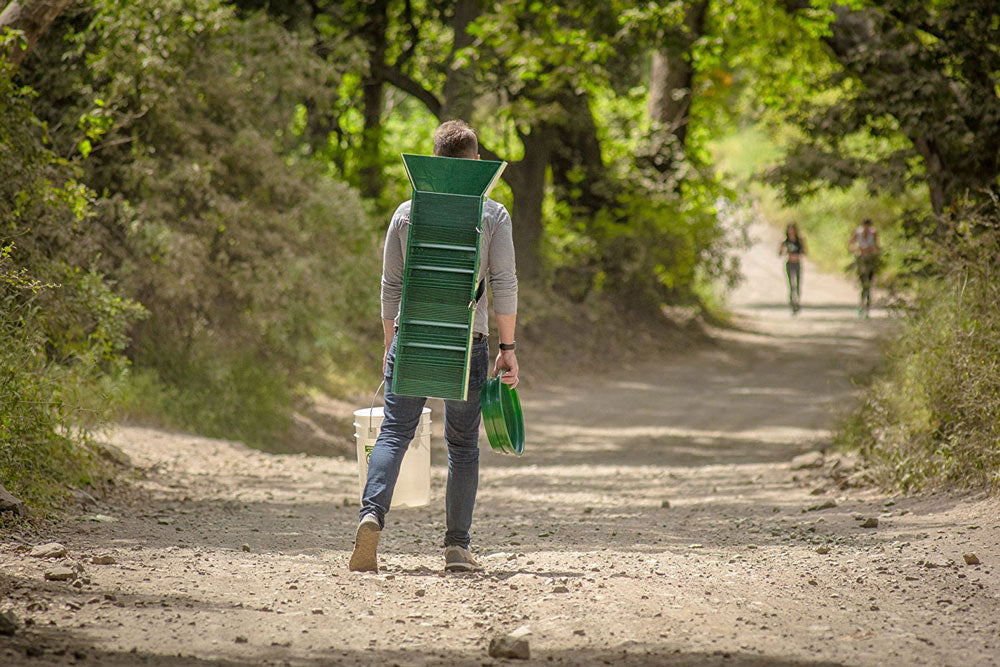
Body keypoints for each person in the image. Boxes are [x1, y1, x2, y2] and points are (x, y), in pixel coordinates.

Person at [349, 120, 519, 574]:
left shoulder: (406, 212)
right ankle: (457, 548)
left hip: (414, 338)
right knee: (463, 445)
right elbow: (504, 284)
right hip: (469, 342)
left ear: (435, 164)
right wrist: (508, 346)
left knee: (394, 431)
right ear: (476, 164)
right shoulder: (493, 214)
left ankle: (371, 516)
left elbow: (391, 285)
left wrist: (392, 343)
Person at [848, 218, 880, 318]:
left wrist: (870, 249)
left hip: (870, 259)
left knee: (869, 284)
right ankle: (862, 305)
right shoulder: (857, 232)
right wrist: (858, 249)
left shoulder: (873, 233)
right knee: (863, 283)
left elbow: (877, 247)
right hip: (861, 259)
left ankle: (867, 306)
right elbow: (850, 246)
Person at [778, 222, 806, 314]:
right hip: (789, 263)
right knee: (791, 284)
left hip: (797, 263)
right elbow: (779, 253)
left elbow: (804, 251)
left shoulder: (799, 239)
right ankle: (792, 299)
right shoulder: (785, 240)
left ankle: (797, 301)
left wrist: (798, 254)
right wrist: (784, 250)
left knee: (798, 283)